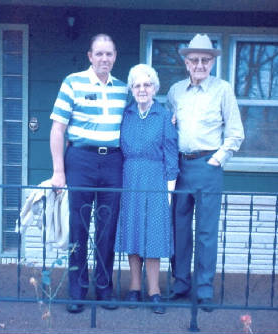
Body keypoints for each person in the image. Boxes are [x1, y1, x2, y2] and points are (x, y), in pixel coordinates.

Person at [49, 34, 128, 313]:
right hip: (80, 160)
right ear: (90, 56)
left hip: (112, 163)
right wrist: (59, 171)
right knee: (79, 227)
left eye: (109, 54)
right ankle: (77, 291)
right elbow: (58, 128)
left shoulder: (123, 89)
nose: (104, 59)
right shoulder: (73, 82)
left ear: (115, 56)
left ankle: (104, 289)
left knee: (107, 229)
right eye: (99, 54)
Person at [166, 34, 244, 311]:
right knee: (179, 228)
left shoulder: (222, 89)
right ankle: (180, 283)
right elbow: (168, 128)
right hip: (180, 167)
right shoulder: (175, 91)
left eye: (205, 60)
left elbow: (235, 133)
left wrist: (217, 159)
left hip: (208, 165)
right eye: (194, 60)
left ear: (212, 62)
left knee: (207, 231)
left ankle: (204, 288)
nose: (200, 64)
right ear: (186, 62)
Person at [115, 64, 179, 314]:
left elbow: (171, 152)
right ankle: (133, 288)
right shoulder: (126, 114)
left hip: (155, 180)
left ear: (154, 88)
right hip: (129, 178)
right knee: (132, 232)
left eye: (147, 84)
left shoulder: (164, 116)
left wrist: (170, 189)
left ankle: (154, 290)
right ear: (131, 89)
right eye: (137, 85)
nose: (142, 89)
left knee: (153, 234)